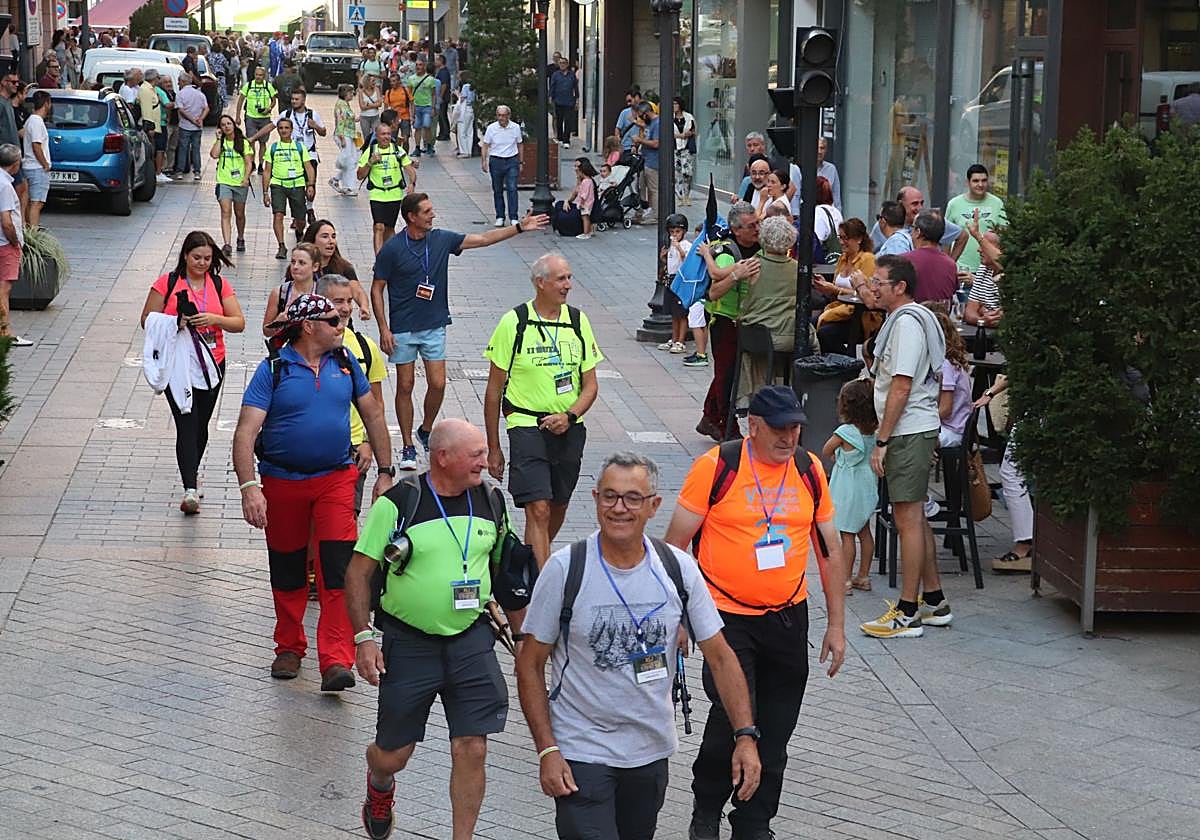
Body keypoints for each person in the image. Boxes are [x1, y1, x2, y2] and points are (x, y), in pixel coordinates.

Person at [515, 451, 761, 840]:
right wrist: (547, 749)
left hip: (649, 751)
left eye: (632, 498)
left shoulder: (677, 569)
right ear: (595, 499)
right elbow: (529, 664)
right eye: (610, 496)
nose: (619, 508)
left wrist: (745, 735)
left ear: (653, 506)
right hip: (581, 749)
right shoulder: (565, 568)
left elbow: (720, 656)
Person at [664, 384, 846, 840]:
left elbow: (830, 550)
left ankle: (753, 822)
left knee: (776, 729)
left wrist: (837, 625)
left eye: (796, 428)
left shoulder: (808, 469)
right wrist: (679, 617)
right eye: (780, 429)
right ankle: (707, 806)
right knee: (732, 719)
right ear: (754, 426)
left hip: (787, 617)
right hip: (724, 618)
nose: (789, 438)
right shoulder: (717, 467)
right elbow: (675, 548)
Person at [346, 418, 511, 840]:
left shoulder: (492, 500)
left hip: (471, 639)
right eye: (476, 454)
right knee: (393, 755)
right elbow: (359, 572)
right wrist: (364, 638)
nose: (486, 461)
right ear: (443, 457)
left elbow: (507, 572)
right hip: (410, 643)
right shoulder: (399, 503)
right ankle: (379, 783)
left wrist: (527, 637)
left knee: (472, 746)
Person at [233, 292, 394, 691]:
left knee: (338, 566)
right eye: (333, 320)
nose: (342, 325)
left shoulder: (346, 363)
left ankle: (336, 659)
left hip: (336, 479)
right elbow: (245, 432)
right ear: (308, 327)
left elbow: (374, 414)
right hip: (281, 481)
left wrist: (386, 471)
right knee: (288, 566)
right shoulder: (274, 368)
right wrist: (250, 487)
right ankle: (289, 646)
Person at [374, 193, 549, 471]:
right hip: (403, 326)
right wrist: (383, 328)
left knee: (438, 383)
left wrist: (518, 228)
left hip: (434, 324)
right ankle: (407, 445)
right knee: (405, 385)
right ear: (411, 217)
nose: (433, 215)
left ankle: (425, 429)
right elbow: (377, 287)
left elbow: (482, 239)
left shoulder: (441, 239)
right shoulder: (393, 248)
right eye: (427, 211)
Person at [483, 253, 603, 567]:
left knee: (558, 504)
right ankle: (541, 580)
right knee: (538, 509)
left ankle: (529, 563)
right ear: (540, 282)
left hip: (569, 426)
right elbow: (493, 391)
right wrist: (494, 447)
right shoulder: (514, 322)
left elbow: (591, 385)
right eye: (561, 279)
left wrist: (569, 416)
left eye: (569, 278)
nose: (568, 285)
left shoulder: (578, 321)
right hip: (526, 425)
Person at [860, 255, 953, 638]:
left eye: (879, 282)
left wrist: (882, 440)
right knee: (914, 516)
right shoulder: (906, 319)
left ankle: (908, 611)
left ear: (900, 287)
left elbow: (901, 385)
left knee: (907, 519)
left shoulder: (907, 324)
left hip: (907, 430)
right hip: (912, 428)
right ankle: (934, 600)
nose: (873, 287)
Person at [139, 231, 246, 513]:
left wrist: (214, 319)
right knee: (186, 420)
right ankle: (190, 490)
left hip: (212, 363)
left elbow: (239, 322)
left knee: (201, 425)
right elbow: (146, 319)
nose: (202, 263)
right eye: (197, 257)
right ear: (185, 255)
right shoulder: (167, 283)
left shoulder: (219, 285)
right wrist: (175, 322)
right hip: (178, 365)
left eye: (207, 258)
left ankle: (193, 472)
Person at [317, 273, 388, 516]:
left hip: (354, 452)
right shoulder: (300, 346)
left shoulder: (365, 346)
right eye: (338, 301)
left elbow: (377, 406)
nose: (346, 308)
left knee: (346, 521)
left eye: (349, 301)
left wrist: (368, 443)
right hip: (313, 451)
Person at [694, 202, 761, 442]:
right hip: (725, 320)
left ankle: (709, 417)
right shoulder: (726, 252)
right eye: (751, 226)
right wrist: (735, 275)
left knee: (729, 372)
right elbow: (714, 291)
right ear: (736, 230)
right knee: (726, 374)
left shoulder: (759, 246)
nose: (757, 229)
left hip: (747, 319)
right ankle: (726, 425)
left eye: (758, 223)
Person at [823, 379, 879, 594]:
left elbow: (826, 450)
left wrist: (838, 457)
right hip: (867, 487)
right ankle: (863, 576)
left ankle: (845, 580)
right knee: (864, 532)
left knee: (847, 535)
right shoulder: (874, 431)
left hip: (848, 490)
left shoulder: (845, 432)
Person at [974, 375, 1033, 573]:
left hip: (1037, 409)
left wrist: (991, 392)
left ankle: (1026, 543)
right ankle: (1028, 541)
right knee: (1015, 473)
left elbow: (1019, 369)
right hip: (1036, 407)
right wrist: (991, 392)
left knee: (1012, 472)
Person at [250, 87, 326, 227]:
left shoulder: (312, 114)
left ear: (303, 100)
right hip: (292, 155)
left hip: (309, 154)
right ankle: (298, 215)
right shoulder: (287, 114)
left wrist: (315, 126)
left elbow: (323, 132)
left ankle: (309, 208)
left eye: (297, 99)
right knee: (297, 186)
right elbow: (271, 126)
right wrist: (254, 137)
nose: (294, 101)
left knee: (310, 184)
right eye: (292, 99)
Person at [815, 218, 878, 356]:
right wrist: (825, 287)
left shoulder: (868, 259)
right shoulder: (842, 259)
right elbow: (835, 291)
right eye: (840, 237)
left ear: (859, 239)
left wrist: (834, 289)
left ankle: (845, 362)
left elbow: (866, 294)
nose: (842, 242)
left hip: (859, 316)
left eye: (846, 238)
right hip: (839, 309)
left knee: (825, 333)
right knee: (808, 325)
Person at [356, 120, 417, 254]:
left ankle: (389, 256)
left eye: (388, 134)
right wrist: (370, 162)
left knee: (389, 228)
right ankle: (379, 259)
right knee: (379, 227)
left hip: (395, 195)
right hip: (377, 195)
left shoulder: (397, 151)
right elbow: (359, 175)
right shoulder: (370, 151)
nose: (386, 137)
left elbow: (410, 169)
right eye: (383, 134)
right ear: (377, 136)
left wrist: (412, 184)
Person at [262, 115, 314, 259]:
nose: (284, 130)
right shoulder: (273, 148)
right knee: (278, 215)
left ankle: (299, 233)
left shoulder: (299, 147)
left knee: (300, 218)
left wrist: (310, 184)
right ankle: (281, 246)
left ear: (291, 130)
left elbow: (308, 167)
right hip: (278, 185)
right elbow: (267, 171)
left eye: (286, 128)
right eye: (281, 128)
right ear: (277, 130)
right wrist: (265, 192)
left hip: (297, 184)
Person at [302, 218, 372, 319]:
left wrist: (364, 306)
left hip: (340, 323)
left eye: (333, 236)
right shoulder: (302, 268)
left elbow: (357, 291)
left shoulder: (344, 267)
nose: (331, 241)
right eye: (325, 236)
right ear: (312, 241)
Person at [944, 164, 1006, 272]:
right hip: (962, 268)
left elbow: (1005, 234)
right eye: (976, 181)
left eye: (984, 180)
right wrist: (947, 265)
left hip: (989, 269)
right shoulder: (954, 204)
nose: (980, 184)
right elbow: (947, 238)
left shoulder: (997, 203)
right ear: (967, 182)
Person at [210, 115, 254, 258]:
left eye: (229, 123)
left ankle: (240, 237)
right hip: (224, 181)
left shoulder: (243, 143)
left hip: (240, 183)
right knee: (226, 211)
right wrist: (218, 139)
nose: (226, 127)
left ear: (234, 125)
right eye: (223, 125)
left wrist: (246, 178)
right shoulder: (221, 142)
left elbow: (249, 163)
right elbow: (214, 155)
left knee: (239, 214)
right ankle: (227, 244)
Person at [0, 143, 30, 347]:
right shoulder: (5, 186)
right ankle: (4, 333)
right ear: (15, 163)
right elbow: (7, 221)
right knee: (4, 288)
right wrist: (14, 241)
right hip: (4, 244)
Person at [263, 242, 322, 334]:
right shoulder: (280, 293)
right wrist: (278, 321)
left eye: (302, 263)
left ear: (315, 267)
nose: (295, 267)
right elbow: (266, 331)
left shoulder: (322, 292)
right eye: (293, 262)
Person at [658, 213, 694, 355]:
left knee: (681, 313)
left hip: (681, 281)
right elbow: (672, 263)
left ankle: (681, 340)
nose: (674, 235)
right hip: (671, 279)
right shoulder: (671, 246)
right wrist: (663, 258)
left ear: (683, 231)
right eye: (672, 232)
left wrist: (679, 248)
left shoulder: (686, 245)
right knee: (673, 313)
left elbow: (687, 261)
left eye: (677, 231)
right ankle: (674, 338)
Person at [480, 104, 522, 227]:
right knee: (497, 189)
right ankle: (500, 216)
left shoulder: (515, 127)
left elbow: (520, 144)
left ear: (508, 116)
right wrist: (484, 161)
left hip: (511, 160)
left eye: (503, 115)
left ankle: (513, 216)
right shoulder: (491, 128)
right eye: (499, 115)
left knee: (512, 188)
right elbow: (485, 145)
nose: (501, 118)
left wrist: (521, 161)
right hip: (496, 160)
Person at [904, 210, 959, 303]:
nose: (910, 233)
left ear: (918, 232)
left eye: (912, 228)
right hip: (941, 312)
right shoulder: (951, 265)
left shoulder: (904, 261)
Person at [964, 218, 1004, 329]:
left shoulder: (1013, 273)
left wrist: (982, 310)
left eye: (984, 246)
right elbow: (969, 313)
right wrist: (981, 320)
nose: (979, 250)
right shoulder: (983, 269)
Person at [236, 65, 277, 174]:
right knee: (251, 141)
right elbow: (240, 101)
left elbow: (274, 101)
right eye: (257, 75)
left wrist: (269, 109)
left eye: (261, 75)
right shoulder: (248, 86)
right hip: (251, 117)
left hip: (264, 118)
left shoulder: (268, 86)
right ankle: (252, 163)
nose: (258, 77)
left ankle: (260, 165)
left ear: (264, 76)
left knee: (263, 143)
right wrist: (237, 116)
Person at [21, 91, 52, 229]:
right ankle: (33, 231)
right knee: (37, 202)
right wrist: (45, 164)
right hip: (36, 167)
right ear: (46, 103)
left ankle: (29, 228)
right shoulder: (37, 122)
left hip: (29, 166)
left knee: (30, 201)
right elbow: (36, 145)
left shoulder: (30, 120)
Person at [629, 102, 660, 225]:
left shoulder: (657, 123)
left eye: (641, 115)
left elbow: (656, 143)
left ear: (646, 113)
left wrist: (639, 140)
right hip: (644, 159)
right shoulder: (649, 123)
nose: (640, 118)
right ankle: (641, 211)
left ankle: (655, 214)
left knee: (653, 189)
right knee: (640, 186)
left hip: (653, 161)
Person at [174, 73, 209, 182]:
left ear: (183, 82)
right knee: (196, 149)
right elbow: (206, 108)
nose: (178, 83)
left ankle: (180, 172)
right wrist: (200, 119)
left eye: (179, 81)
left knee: (183, 149)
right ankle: (197, 172)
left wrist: (192, 120)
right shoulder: (200, 94)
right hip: (197, 128)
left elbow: (181, 110)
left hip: (185, 126)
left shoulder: (180, 94)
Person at [406, 59, 438, 156]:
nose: (418, 67)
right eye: (416, 65)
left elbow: (433, 94)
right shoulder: (411, 78)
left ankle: (429, 146)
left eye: (420, 65)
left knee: (427, 126)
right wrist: (411, 110)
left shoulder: (430, 79)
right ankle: (417, 148)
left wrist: (433, 107)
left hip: (427, 106)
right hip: (416, 106)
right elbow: (409, 95)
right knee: (417, 127)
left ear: (424, 66)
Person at [331, 84, 359, 195]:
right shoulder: (341, 105)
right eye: (350, 92)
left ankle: (336, 179)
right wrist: (342, 138)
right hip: (344, 135)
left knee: (352, 160)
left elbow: (346, 118)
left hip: (348, 134)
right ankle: (348, 187)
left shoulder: (344, 104)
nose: (352, 94)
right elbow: (340, 121)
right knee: (350, 161)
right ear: (345, 93)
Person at [562, 156, 596, 240]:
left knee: (585, 217)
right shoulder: (589, 180)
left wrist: (581, 203)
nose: (575, 169)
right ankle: (590, 231)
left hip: (585, 204)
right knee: (586, 217)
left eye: (577, 167)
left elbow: (583, 195)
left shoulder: (586, 181)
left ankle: (586, 233)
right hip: (588, 203)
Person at [549, 56, 578, 148]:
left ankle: (566, 140)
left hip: (569, 101)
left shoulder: (571, 75)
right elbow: (552, 86)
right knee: (559, 120)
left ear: (567, 64)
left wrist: (577, 99)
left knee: (568, 121)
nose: (562, 65)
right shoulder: (555, 75)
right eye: (560, 63)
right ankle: (560, 138)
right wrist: (550, 97)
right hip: (558, 101)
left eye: (564, 63)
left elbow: (575, 87)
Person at [672, 96, 696, 205]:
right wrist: (680, 136)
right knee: (677, 173)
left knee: (687, 172)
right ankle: (679, 197)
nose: (674, 106)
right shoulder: (670, 118)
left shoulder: (688, 117)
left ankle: (687, 195)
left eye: (676, 103)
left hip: (686, 148)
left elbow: (693, 130)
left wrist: (687, 134)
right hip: (675, 148)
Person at [383, 72, 414, 152]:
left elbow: (411, 102)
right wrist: (385, 120)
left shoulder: (405, 90)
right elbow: (386, 106)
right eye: (391, 81)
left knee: (405, 139)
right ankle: (396, 154)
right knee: (393, 139)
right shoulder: (388, 92)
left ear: (399, 81)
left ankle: (405, 155)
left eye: (394, 81)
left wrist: (412, 116)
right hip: (393, 119)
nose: (392, 83)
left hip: (405, 117)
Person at [816, 137, 842, 211]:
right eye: (817, 148)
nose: (819, 151)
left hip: (826, 212)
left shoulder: (831, 169)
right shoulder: (803, 168)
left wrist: (838, 215)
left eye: (822, 148)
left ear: (826, 150)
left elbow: (836, 197)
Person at [452, 73, 475, 158]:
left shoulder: (465, 86)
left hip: (464, 111)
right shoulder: (473, 87)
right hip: (471, 110)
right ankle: (469, 150)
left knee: (462, 132)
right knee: (469, 132)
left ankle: (464, 151)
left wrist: (457, 94)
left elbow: (462, 99)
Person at [358, 73, 382, 143]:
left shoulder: (377, 89)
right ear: (367, 82)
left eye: (375, 81)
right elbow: (362, 107)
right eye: (373, 81)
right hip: (364, 117)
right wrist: (375, 105)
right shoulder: (361, 92)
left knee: (376, 136)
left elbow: (380, 104)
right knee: (366, 137)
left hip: (375, 116)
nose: (375, 83)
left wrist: (368, 105)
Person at [434, 55, 453, 142]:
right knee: (441, 115)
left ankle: (445, 133)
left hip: (444, 97)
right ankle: (442, 133)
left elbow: (444, 85)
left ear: (441, 61)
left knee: (442, 115)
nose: (435, 62)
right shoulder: (441, 71)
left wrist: (440, 96)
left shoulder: (444, 72)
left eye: (437, 60)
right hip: (443, 97)